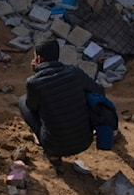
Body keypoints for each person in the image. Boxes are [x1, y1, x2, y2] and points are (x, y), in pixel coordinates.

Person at [18, 38, 106, 171]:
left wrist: (37, 72)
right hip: (84, 140)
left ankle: (53, 156)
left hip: (55, 144)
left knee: (23, 102)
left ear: (39, 59)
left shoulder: (33, 82)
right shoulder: (74, 73)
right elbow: (99, 91)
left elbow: (32, 107)